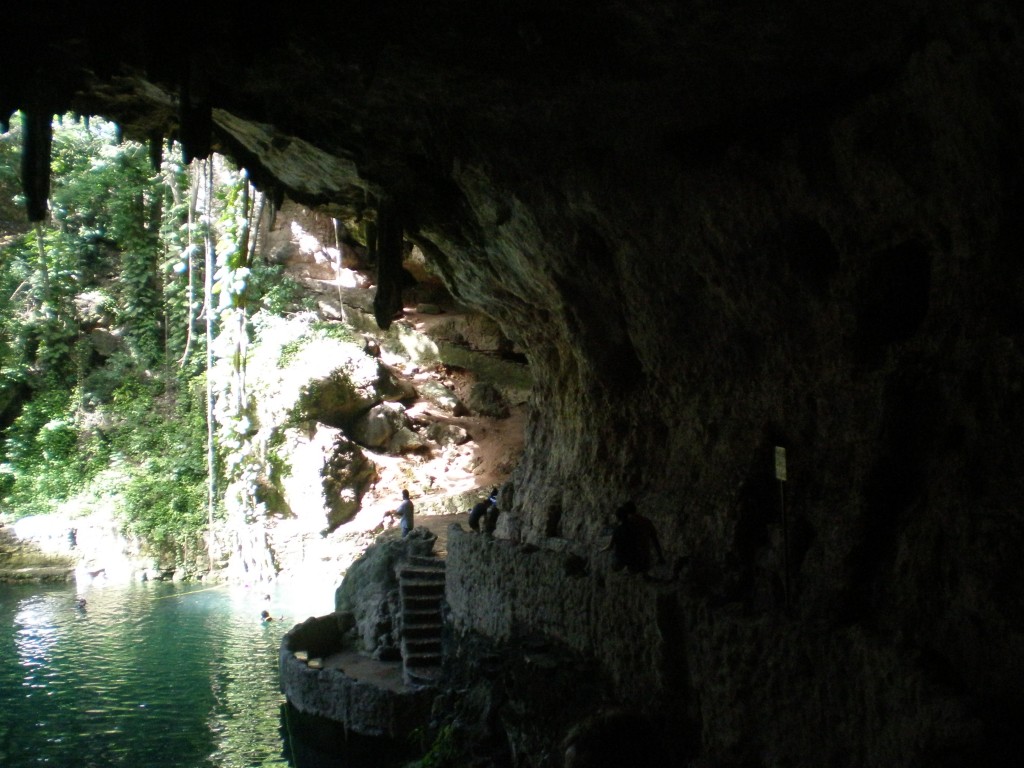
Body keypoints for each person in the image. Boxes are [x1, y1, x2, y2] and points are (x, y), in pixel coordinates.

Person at [606, 501, 665, 575]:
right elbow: (655, 540)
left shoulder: (626, 526)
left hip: (634, 561)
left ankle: (625, 568)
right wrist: (660, 556)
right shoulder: (646, 521)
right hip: (646, 561)